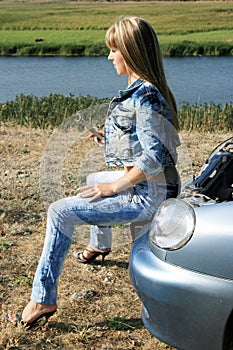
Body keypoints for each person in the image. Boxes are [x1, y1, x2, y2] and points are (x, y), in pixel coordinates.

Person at [7, 15, 180, 327]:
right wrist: (106, 138)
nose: (109, 56)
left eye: (114, 50)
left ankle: (41, 300)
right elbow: (141, 142)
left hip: (150, 195)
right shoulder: (142, 90)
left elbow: (155, 156)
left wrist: (113, 188)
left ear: (130, 51)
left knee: (60, 211)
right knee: (92, 180)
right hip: (150, 187)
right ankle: (99, 246)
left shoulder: (146, 96)